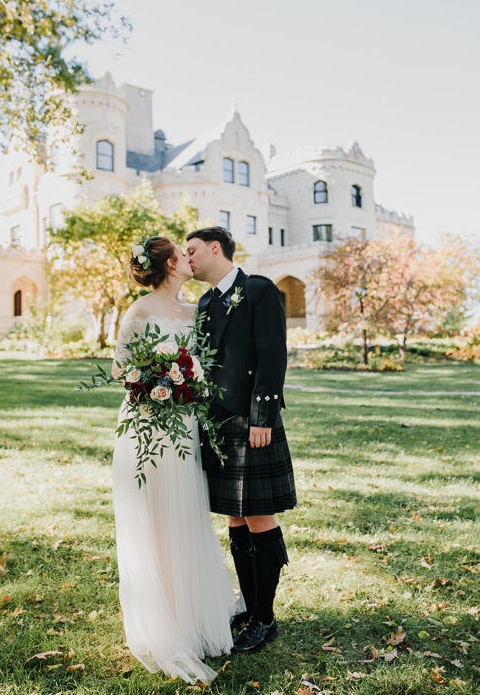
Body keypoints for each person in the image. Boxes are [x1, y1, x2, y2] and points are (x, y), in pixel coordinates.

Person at [111, 235, 234, 684]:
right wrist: (158, 379)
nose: (189, 259)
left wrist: (187, 382)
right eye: (181, 255)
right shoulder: (139, 310)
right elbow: (120, 368)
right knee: (153, 516)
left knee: (184, 513)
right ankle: (162, 620)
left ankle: (191, 612)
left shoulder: (194, 311)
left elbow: (206, 364)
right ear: (166, 265)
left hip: (183, 423)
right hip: (146, 425)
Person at [186, 226, 297, 654]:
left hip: (251, 423)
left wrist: (262, 416)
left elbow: (272, 354)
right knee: (234, 517)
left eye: (192, 251)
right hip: (217, 425)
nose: (188, 259)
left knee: (259, 518)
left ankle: (265, 618)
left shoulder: (258, 289)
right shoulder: (206, 301)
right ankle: (250, 609)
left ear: (216, 248)